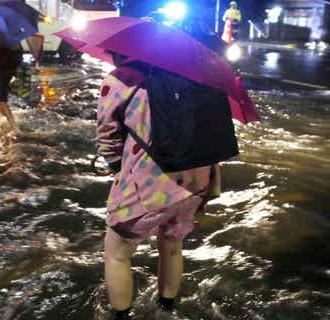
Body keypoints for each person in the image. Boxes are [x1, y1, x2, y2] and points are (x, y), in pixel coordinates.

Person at [97, 53, 221, 319]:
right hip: (196, 178)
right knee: (172, 244)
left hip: (148, 181)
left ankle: (122, 316)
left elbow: (107, 135)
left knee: (116, 252)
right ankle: (166, 309)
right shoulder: (195, 75)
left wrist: (117, 167)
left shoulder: (122, 77)